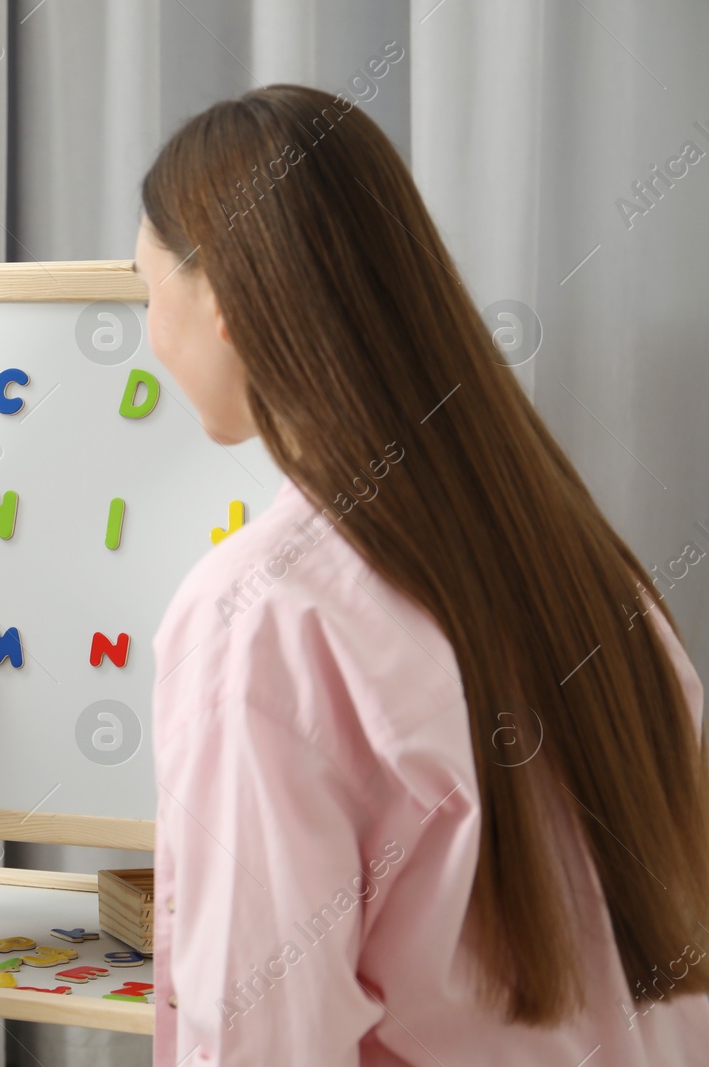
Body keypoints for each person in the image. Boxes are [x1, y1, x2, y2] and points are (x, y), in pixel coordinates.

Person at [138, 84, 709, 1064]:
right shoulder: (595, 572)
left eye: (144, 291)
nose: (148, 337)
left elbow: (263, 1036)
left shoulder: (261, 614)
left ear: (222, 299)